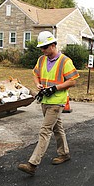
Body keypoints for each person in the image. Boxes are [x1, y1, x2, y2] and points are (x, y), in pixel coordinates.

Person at [18, 31, 79, 175]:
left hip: (57, 101)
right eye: (41, 48)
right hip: (44, 100)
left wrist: (54, 88)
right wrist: (38, 84)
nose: (42, 50)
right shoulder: (42, 59)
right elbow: (35, 74)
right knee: (57, 128)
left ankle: (33, 164)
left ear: (52, 45)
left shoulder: (65, 61)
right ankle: (64, 153)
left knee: (45, 130)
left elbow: (72, 81)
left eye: (44, 47)